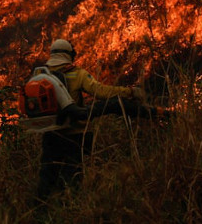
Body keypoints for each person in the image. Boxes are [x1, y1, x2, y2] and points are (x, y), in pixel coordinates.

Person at [36, 39, 160, 199]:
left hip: (50, 134)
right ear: (69, 55)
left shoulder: (40, 75)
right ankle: (71, 209)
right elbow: (101, 92)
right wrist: (129, 92)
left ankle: (41, 208)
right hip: (73, 135)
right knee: (72, 176)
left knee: (47, 175)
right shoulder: (76, 73)